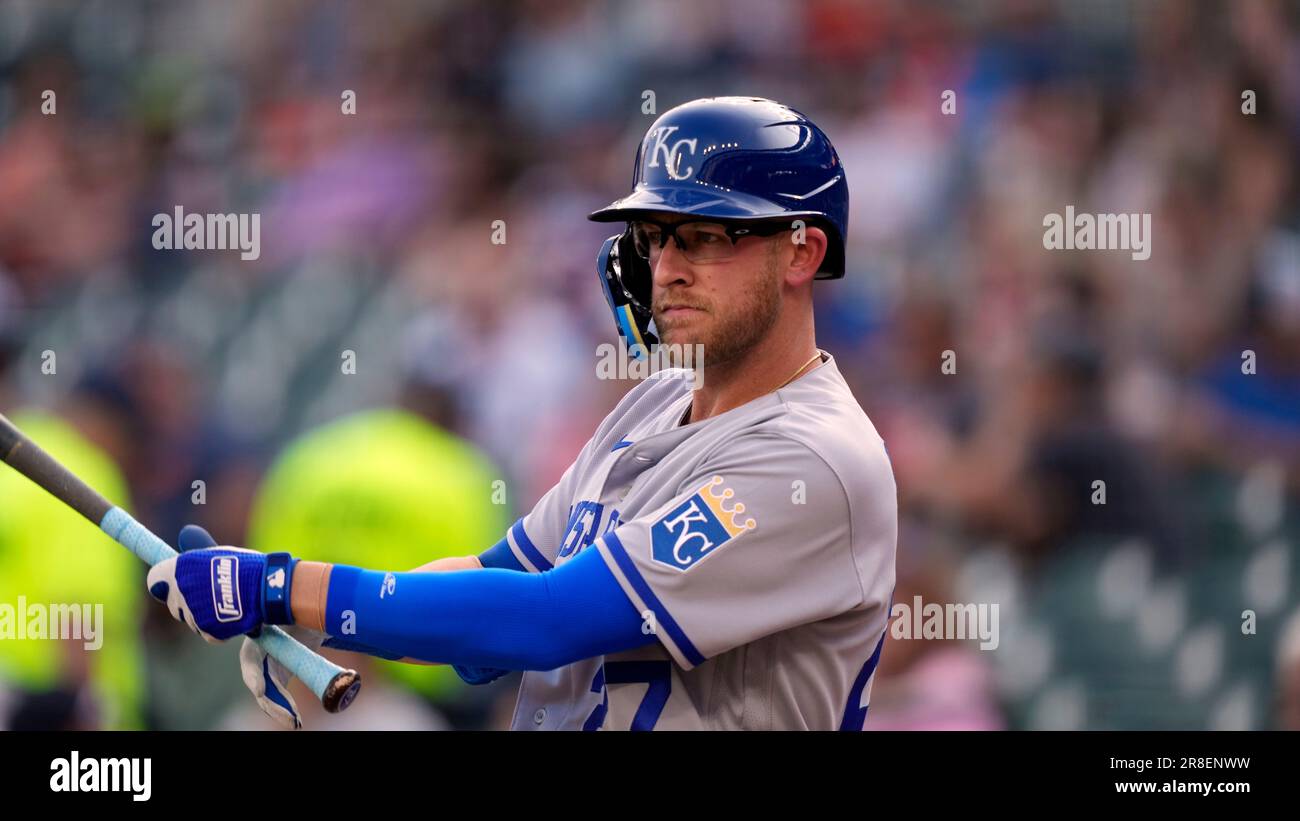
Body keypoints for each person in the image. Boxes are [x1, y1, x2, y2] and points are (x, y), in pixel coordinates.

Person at [146, 97, 899, 730]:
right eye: (656, 237)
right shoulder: (654, 403)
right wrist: (306, 609)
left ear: (801, 253)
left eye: (705, 236)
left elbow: (544, 619)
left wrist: (281, 583)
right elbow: (492, 580)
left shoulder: (816, 458)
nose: (667, 268)